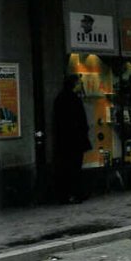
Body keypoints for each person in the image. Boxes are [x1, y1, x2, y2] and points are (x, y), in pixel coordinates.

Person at [53, 74, 92, 204]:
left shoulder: (60, 98)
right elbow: (79, 121)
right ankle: (74, 193)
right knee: (74, 167)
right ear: (74, 84)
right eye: (80, 83)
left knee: (67, 167)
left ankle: (68, 194)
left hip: (64, 141)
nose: (81, 85)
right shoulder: (73, 99)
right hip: (74, 140)